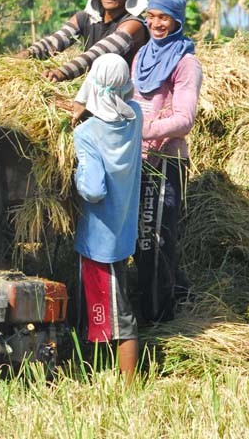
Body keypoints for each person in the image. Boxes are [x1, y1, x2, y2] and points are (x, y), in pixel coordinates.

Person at [132, 0, 203, 322]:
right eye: (151, 16)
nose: (156, 23)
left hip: (167, 162)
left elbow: (184, 120)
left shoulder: (186, 63)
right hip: (135, 160)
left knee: (156, 239)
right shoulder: (141, 56)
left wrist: (142, 130)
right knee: (139, 240)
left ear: (177, 20)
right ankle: (166, 301)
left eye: (164, 17)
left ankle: (160, 319)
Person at [72, 53, 143, 382]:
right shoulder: (136, 118)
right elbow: (119, 100)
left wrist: (75, 173)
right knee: (109, 305)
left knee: (117, 314)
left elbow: (93, 190)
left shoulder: (86, 134)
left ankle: (129, 387)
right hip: (124, 230)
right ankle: (102, 371)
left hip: (99, 239)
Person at [15, 0, 148, 82]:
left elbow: (98, 55)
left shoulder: (133, 24)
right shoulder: (85, 18)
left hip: (121, 96)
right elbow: (56, 41)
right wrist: (25, 55)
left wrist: (61, 73)